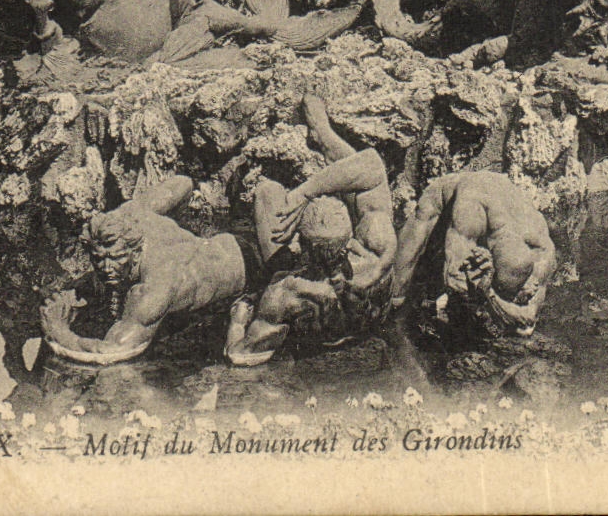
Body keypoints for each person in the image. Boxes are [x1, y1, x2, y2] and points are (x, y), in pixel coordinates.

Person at [224, 95, 399, 365]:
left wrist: (238, 320)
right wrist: (310, 191)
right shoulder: (376, 251)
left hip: (313, 328)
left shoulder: (284, 294)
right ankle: (325, 136)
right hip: (366, 325)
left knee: (267, 192)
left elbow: (240, 354)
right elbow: (372, 167)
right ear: (349, 237)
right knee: (363, 189)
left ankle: (322, 136)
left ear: (300, 244)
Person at [39, 175, 248, 365]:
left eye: (116, 258)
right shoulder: (130, 215)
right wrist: (181, 234)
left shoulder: (154, 287)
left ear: (135, 249)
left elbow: (112, 351)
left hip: (252, 270)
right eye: (98, 259)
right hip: (232, 239)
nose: (106, 268)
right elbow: (183, 183)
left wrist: (60, 332)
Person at [388, 171, 556, 337]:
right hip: (459, 190)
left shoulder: (543, 253)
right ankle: (390, 318)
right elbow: (453, 279)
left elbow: (527, 325)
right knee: (400, 278)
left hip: (504, 201)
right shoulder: (470, 211)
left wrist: (490, 295)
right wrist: (493, 298)